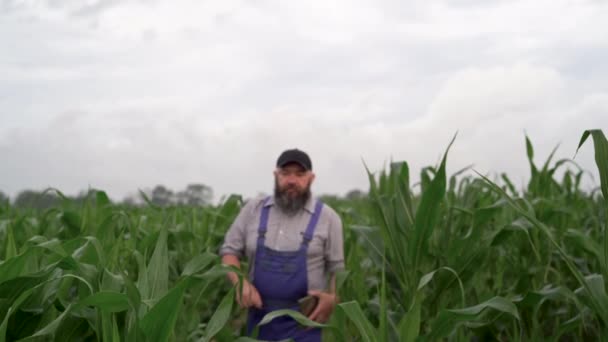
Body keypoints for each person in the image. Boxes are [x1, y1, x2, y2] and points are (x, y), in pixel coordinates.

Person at [220, 148, 345, 342]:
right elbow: (229, 252)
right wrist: (240, 283)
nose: (292, 180)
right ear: (276, 176)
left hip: (305, 323)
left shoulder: (328, 218)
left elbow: (338, 270)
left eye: (300, 174)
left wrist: (332, 298)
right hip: (259, 320)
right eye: (285, 173)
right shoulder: (253, 210)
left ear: (311, 178)